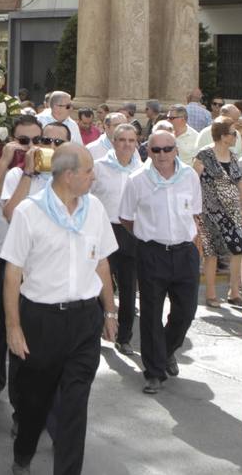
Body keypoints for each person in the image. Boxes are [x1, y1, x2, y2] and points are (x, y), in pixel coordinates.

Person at [2, 145, 117, 475]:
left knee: (74, 406)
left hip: (84, 320)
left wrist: (109, 311)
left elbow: (103, 263)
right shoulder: (29, 212)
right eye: (89, 172)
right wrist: (14, 326)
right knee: (35, 404)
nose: (94, 177)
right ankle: (23, 454)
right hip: (41, 321)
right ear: (69, 176)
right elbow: (12, 273)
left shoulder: (94, 209)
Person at [0, 116, 48, 408]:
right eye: (23, 141)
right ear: (10, 141)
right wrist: (6, 164)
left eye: (36, 140)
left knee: (25, 329)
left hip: (32, 265)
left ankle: (23, 396)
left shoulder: (48, 173)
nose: (30, 147)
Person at [119, 130, 201, 395]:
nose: (163, 155)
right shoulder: (137, 180)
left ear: (176, 149)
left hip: (185, 252)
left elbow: (195, 215)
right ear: (148, 152)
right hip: (152, 252)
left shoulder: (189, 176)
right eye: (156, 150)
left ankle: (166, 351)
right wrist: (148, 236)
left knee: (186, 312)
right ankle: (154, 372)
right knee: (151, 315)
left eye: (168, 149)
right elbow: (126, 217)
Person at [91, 123, 143, 355]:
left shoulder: (142, 169)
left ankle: (125, 337)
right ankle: (102, 324)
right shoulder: (99, 167)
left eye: (131, 141)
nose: (127, 145)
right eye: (122, 140)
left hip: (130, 231)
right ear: (114, 142)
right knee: (100, 284)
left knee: (129, 286)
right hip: (103, 230)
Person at [192, 118, 242, 309]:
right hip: (209, 211)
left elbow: (238, 183)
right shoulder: (204, 155)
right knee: (211, 252)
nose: (235, 136)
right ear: (223, 136)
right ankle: (211, 293)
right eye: (233, 133)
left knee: (238, 248)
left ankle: (234, 291)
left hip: (232, 210)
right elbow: (193, 183)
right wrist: (194, 212)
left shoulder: (232, 156)